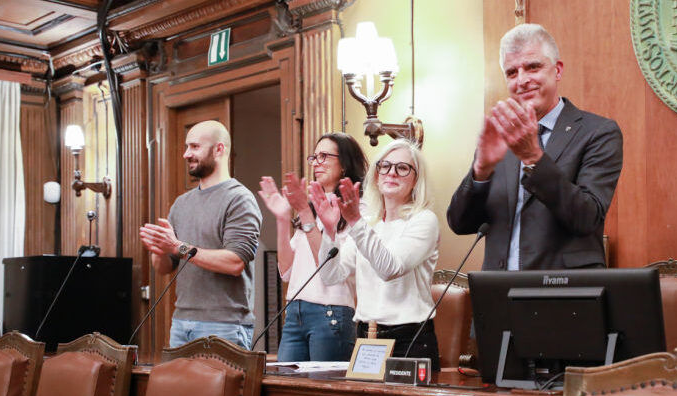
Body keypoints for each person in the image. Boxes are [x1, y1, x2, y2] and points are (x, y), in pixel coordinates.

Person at [447, 23, 623, 270]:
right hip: (499, 295)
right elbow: (460, 223)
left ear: (557, 70)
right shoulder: (500, 135)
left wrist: (533, 158)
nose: (522, 80)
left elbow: (586, 218)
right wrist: (481, 171)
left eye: (533, 67)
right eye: (511, 72)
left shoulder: (598, 132)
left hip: (565, 295)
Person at [309, 139, 442, 369]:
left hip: (408, 339)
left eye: (402, 168)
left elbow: (390, 268)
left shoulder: (423, 220)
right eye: (385, 166)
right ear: (377, 174)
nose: (391, 173)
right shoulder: (369, 223)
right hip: (366, 338)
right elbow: (332, 276)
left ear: (416, 180)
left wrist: (354, 222)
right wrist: (329, 232)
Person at [140, 120, 262, 348]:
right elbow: (165, 268)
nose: (186, 154)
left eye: (195, 147)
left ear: (219, 149)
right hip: (181, 322)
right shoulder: (181, 203)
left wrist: (177, 247)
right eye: (186, 147)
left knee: (222, 386)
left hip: (224, 325)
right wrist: (159, 249)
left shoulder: (239, 199)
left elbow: (235, 262)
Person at [258, 133, 367, 362]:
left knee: (324, 395)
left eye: (324, 156)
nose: (317, 162)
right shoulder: (310, 207)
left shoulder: (355, 208)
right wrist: (282, 218)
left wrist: (306, 216)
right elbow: (286, 272)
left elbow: (330, 271)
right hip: (294, 312)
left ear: (345, 163)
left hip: (330, 313)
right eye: (314, 156)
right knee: (288, 391)